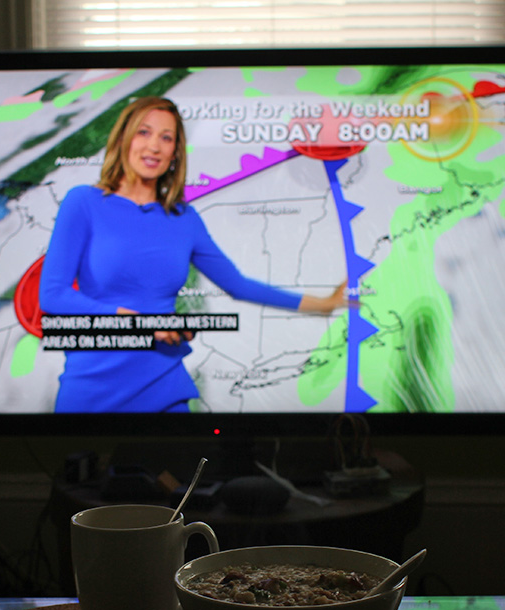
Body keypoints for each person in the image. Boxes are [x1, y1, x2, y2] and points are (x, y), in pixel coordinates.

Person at [39, 96, 345, 413]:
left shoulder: (184, 218)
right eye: (144, 132)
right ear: (123, 139)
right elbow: (53, 295)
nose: (154, 146)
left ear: (175, 152)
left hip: (164, 383)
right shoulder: (83, 203)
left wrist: (325, 304)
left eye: (166, 138)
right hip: (93, 386)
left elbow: (238, 285)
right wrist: (137, 322)